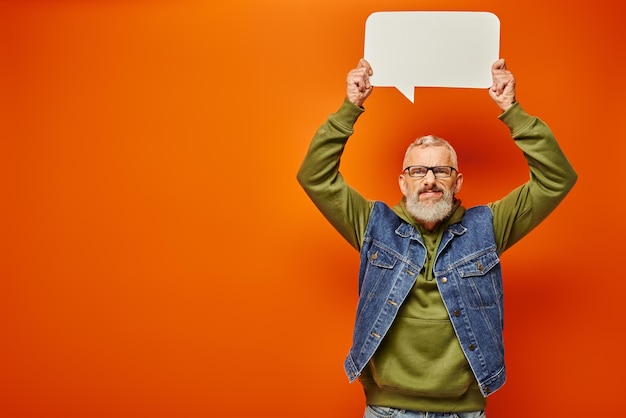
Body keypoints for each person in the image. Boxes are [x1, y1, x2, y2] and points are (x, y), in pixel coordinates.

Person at [297, 58, 577, 418]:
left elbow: (557, 180)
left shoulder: (488, 227)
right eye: (418, 170)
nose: (429, 179)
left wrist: (512, 110)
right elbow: (315, 177)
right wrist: (351, 107)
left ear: (457, 182)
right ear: (403, 182)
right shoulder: (372, 224)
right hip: (387, 409)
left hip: (463, 411)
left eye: (441, 170)